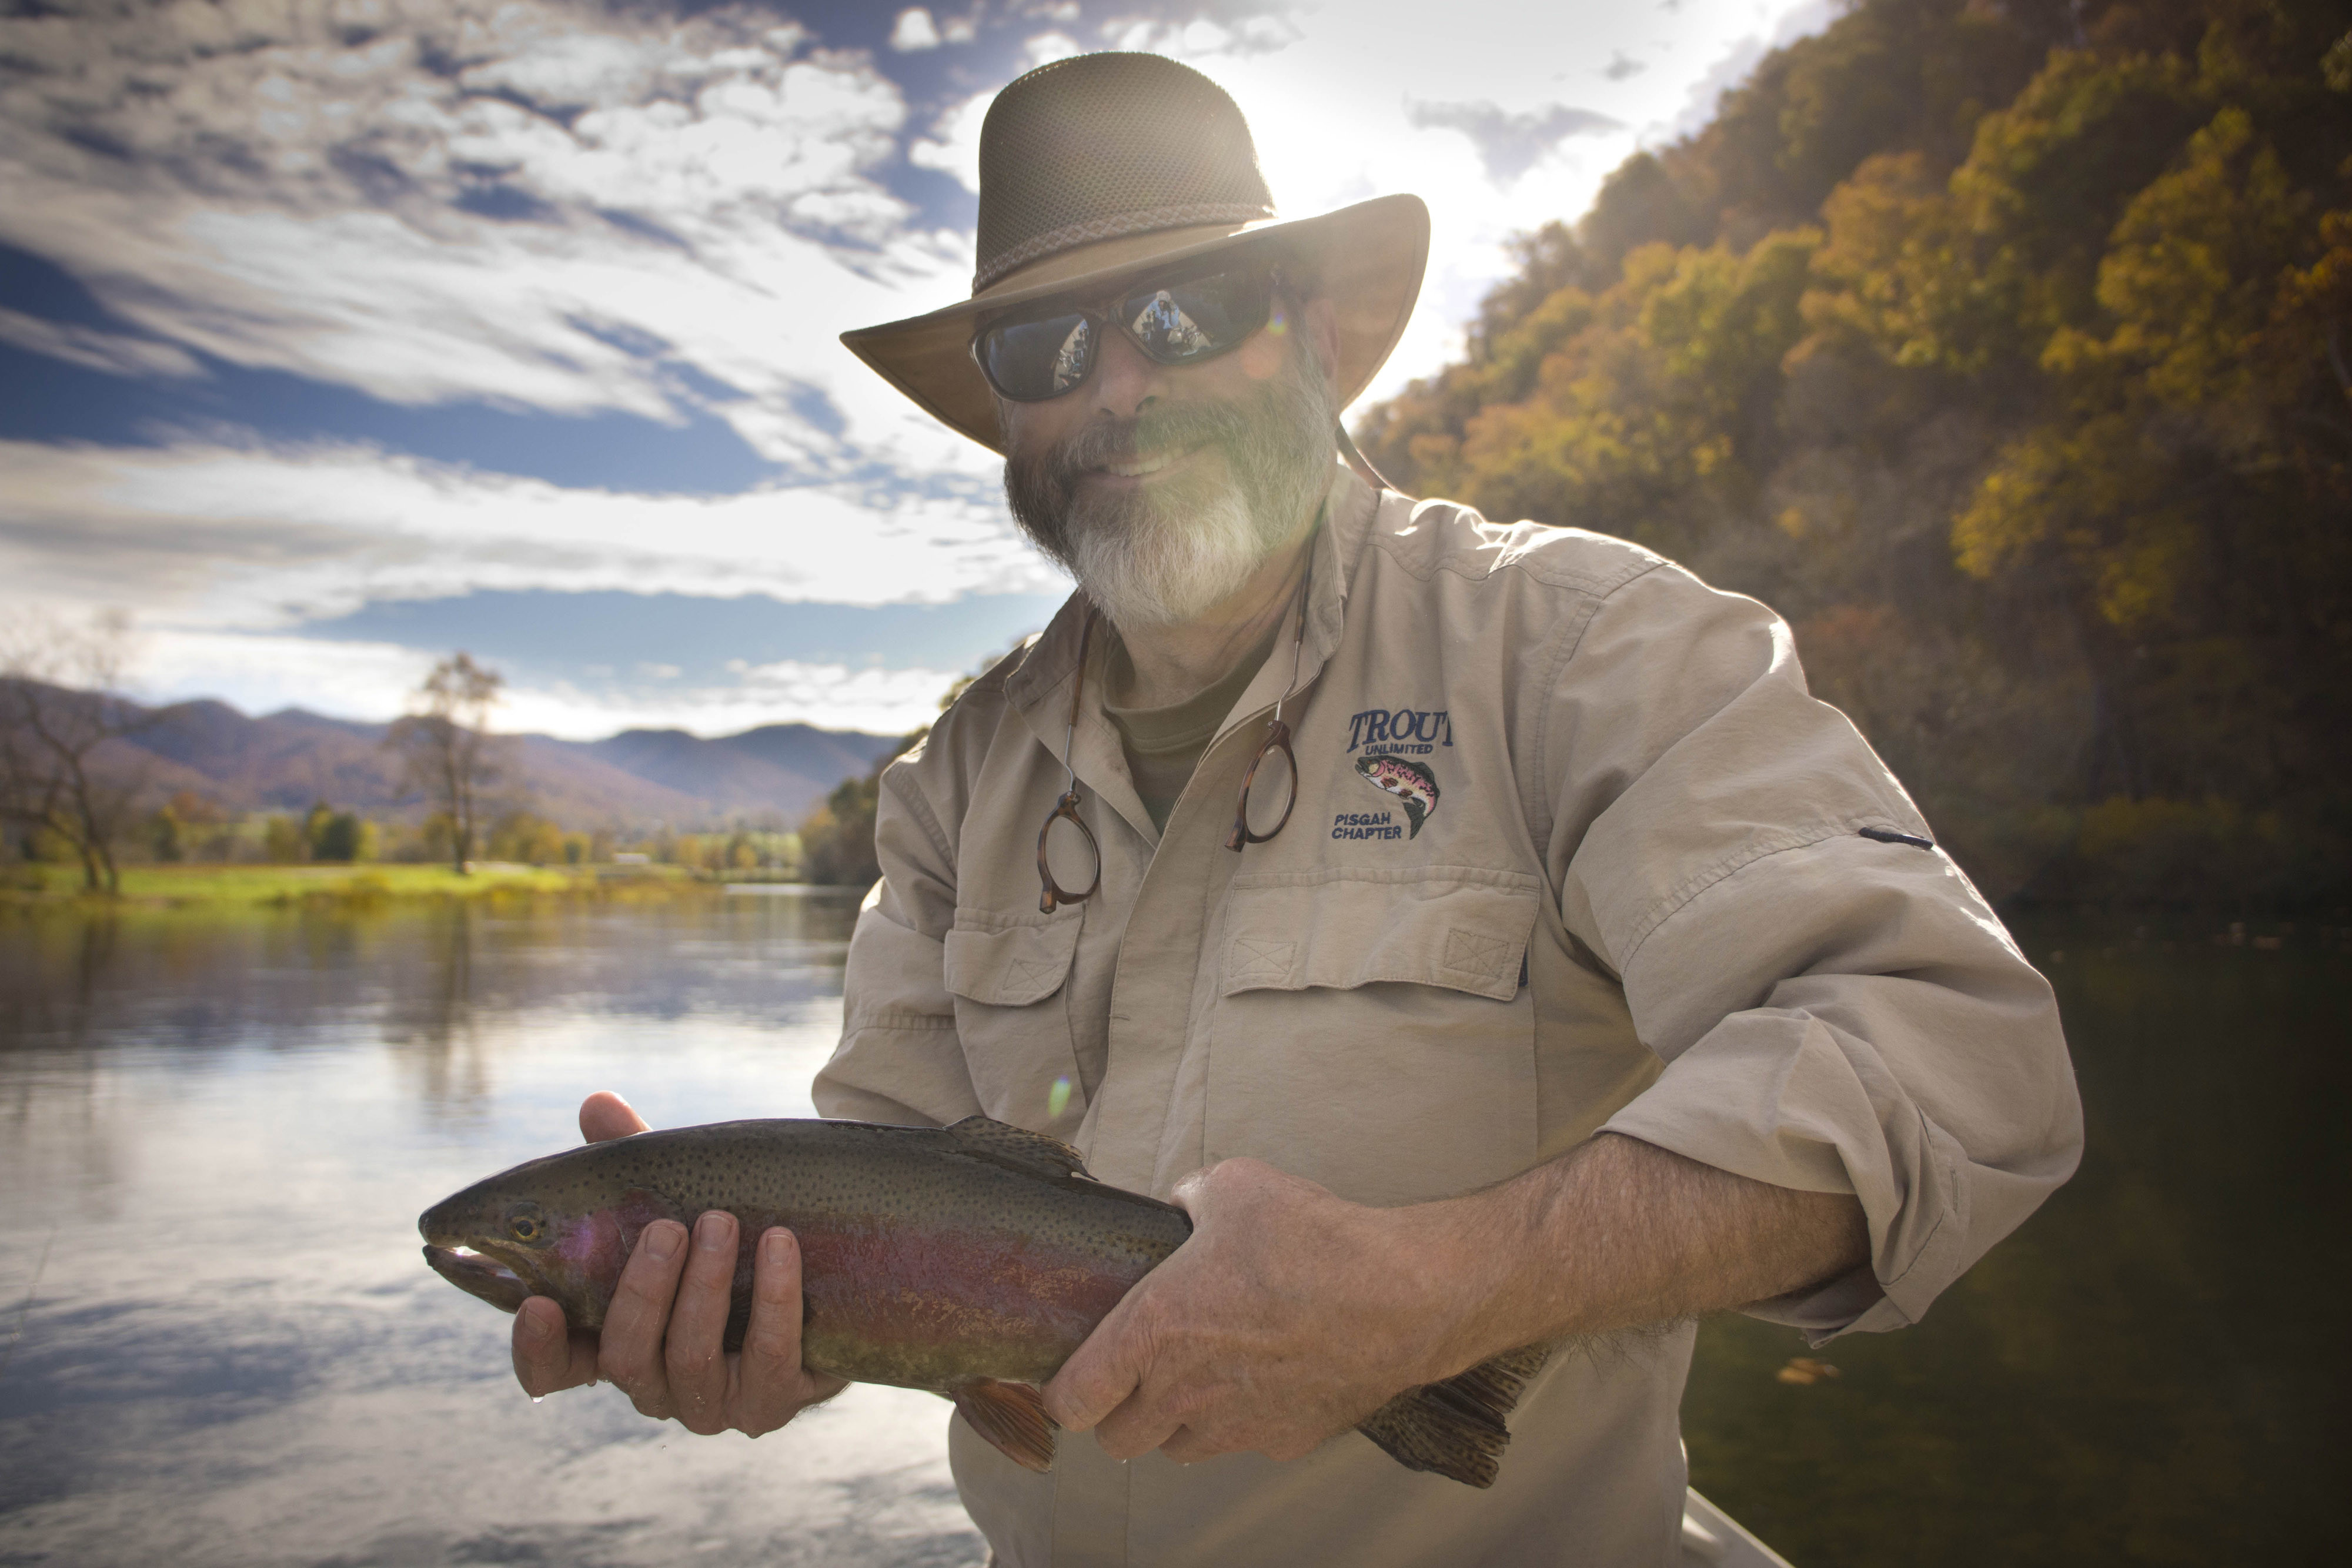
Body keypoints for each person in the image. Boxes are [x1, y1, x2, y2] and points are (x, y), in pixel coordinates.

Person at [511, 52, 2082, 1565]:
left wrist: (1443, 1290)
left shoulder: (1583, 646)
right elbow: (884, 1193)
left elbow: (1959, 1057)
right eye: (1045, 352)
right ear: (1006, 418)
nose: (1120, 387)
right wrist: (766, 1333)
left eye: (1187, 312)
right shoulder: (952, 782)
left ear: (1319, 335)